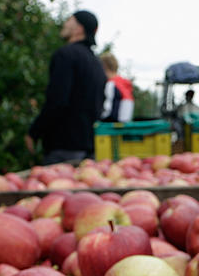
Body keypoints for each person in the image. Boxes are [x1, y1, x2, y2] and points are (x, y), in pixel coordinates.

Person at [26, 10, 107, 165]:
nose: (64, 24)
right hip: (89, 148)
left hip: (63, 147)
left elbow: (57, 100)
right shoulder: (97, 63)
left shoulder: (65, 55)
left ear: (79, 28)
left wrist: (34, 132)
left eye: (69, 20)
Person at [99, 53, 134, 123]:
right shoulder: (124, 83)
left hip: (114, 124)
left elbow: (108, 110)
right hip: (125, 122)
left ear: (104, 67)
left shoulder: (111, 84)